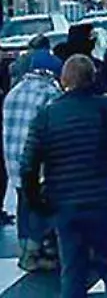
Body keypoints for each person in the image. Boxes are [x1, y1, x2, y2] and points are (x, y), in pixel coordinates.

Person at [21, 55, 107, 298]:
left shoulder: (47, 115)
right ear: (93, 78)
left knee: (73, 271)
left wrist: (37, 203)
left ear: (63, 80)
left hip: (66, 204)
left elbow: (28, 166)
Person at [3, 48, 62, 272]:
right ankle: (35, 253)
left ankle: (25, 246)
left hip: (14, 161)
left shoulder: (14, 92)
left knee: (23, 205)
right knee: (41, 208)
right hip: (38, 165)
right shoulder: (49, 94)